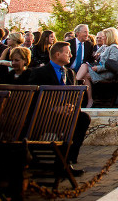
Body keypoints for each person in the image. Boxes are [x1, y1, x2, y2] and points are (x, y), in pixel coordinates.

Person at [28, 41, 90, 175]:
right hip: (45, 114)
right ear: (57, 54)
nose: (71, 55)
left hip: (66, 112)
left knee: (83, 119)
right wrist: (54, 109)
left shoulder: (70, 73)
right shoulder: (39, 73)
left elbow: (73, 95)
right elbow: (35, 98)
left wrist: (71, 106)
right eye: (67, 53)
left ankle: (68, 160)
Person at [76, 27, 118, 107]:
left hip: (107, 72)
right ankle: (89, 99)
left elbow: (112, 65)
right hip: (98, 69)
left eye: (104, 36)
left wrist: (98, 68)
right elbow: (95, 55)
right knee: (84, 70)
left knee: (84, 72)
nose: (102, 38)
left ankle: (75, 85)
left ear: (109, 36)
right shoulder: (104, 46)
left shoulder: (114, 48)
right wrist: (96, 57)